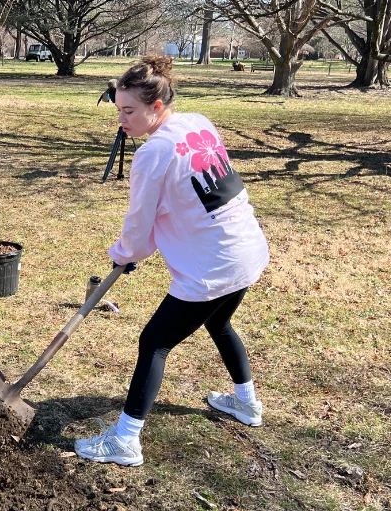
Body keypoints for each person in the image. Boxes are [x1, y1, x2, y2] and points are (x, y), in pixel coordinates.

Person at [73, 56, 270, 467]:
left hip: (214, 265)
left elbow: (139, 225)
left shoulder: (152, 154)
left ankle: (126, 439)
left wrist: (124, 255)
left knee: (154, 342)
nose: (121, 120)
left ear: (157, 107)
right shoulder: (198, 121)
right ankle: (247, 404)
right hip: (247, 250)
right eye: (118, 110)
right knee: (218, 322)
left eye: (129, 112)